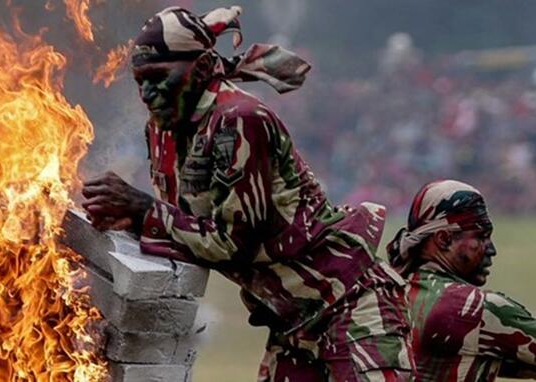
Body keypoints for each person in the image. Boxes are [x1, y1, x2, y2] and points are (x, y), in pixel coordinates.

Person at [82, 6, 414, 381]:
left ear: (204, 68)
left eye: (159, 77)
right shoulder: (161, 129)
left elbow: (232, 244)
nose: (147, 93)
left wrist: (143, 211)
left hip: (349, 306)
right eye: (139, 80)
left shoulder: (238, 119)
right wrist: (133, 221)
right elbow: (187, 230)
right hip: (291, 322)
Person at [388, 179, 536, 381]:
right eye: (481, 236)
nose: (491, 250)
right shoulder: (475, 309)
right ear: (444, 239)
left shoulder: (389, 293)